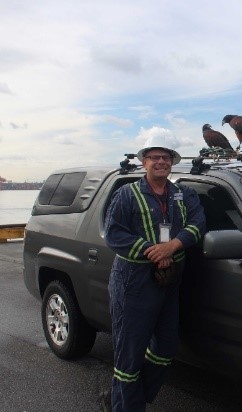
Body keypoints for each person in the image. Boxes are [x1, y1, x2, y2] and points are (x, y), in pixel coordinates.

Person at [104, 136, 206, 411]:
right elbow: (113, 234)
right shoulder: (126, 194)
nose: (161, 162)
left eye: (166, 157)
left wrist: (172, 246)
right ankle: (124, 405)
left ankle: (125, 397)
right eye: (154, 157)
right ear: (143, 161)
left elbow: (198, 224)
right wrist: (153, 251)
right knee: (129, 355)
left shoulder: (183, 194)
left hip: (170, 281)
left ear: (172, 162)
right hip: (133, 283)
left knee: (165, 348)